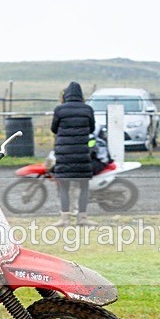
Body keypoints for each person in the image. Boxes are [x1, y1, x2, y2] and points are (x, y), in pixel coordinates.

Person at [50, 82, 95, 226]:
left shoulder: (59, 109)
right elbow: (92, 129)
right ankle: (82, 219)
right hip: (82, 153)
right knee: (84, 186)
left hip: (64, 154)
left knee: (64, 187)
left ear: (66, 95)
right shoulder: (87, 109)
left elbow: (54, 129)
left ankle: (65, 219)